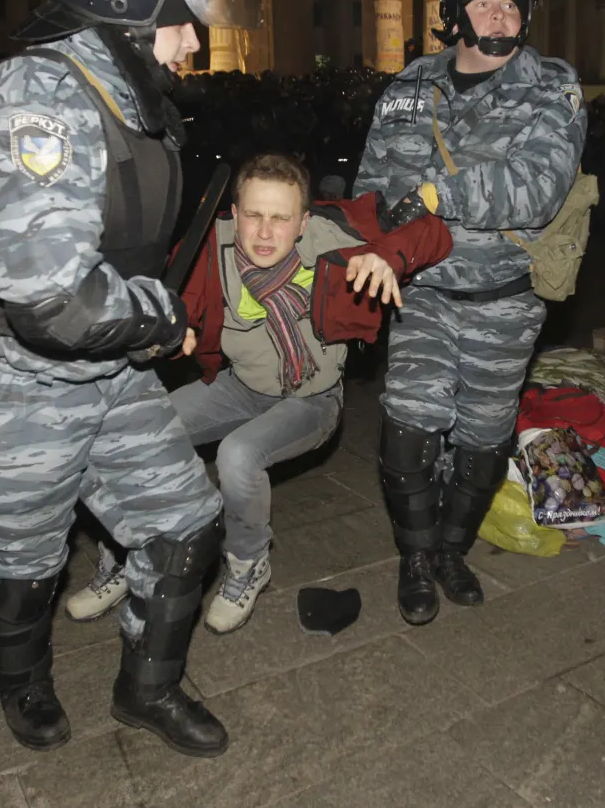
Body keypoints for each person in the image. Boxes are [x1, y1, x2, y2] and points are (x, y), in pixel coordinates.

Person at [0, 0, 260, 756]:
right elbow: (56, 302)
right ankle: (22, 683)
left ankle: (149, 688)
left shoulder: (115, 92)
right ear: (129, 2)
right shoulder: (33, 108)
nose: (192, 43)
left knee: (184, 526)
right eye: (181, 22)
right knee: (20, 567)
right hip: (15, 388)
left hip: (105, 376)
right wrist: (160, 318)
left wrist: (144, 325)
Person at [64, 152, 451, 631]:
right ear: (234, 212)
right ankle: (126, 553)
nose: (265, 233)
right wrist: (168, 329)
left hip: (312, 399)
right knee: (132, 431)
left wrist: (389, 255)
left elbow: (434, 233)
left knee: (238, 454)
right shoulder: (213, 246)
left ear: (303, 221)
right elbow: (173, 296)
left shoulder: (335, 241)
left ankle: (248, 564)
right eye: (254, 215)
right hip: (237, 387)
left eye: (281, 218)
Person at [353, 0, 588, 624]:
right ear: (454, 13)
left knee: (484, 438)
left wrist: (434, 192)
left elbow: (539, 187)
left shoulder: (552, 86)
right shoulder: (406, 88)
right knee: (408, 428)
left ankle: (453, 549)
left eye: (512, 4)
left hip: (503, 299)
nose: (499, 13)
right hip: (419, 292)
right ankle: (417, 558)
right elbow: (372, 186)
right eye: (485, 1)